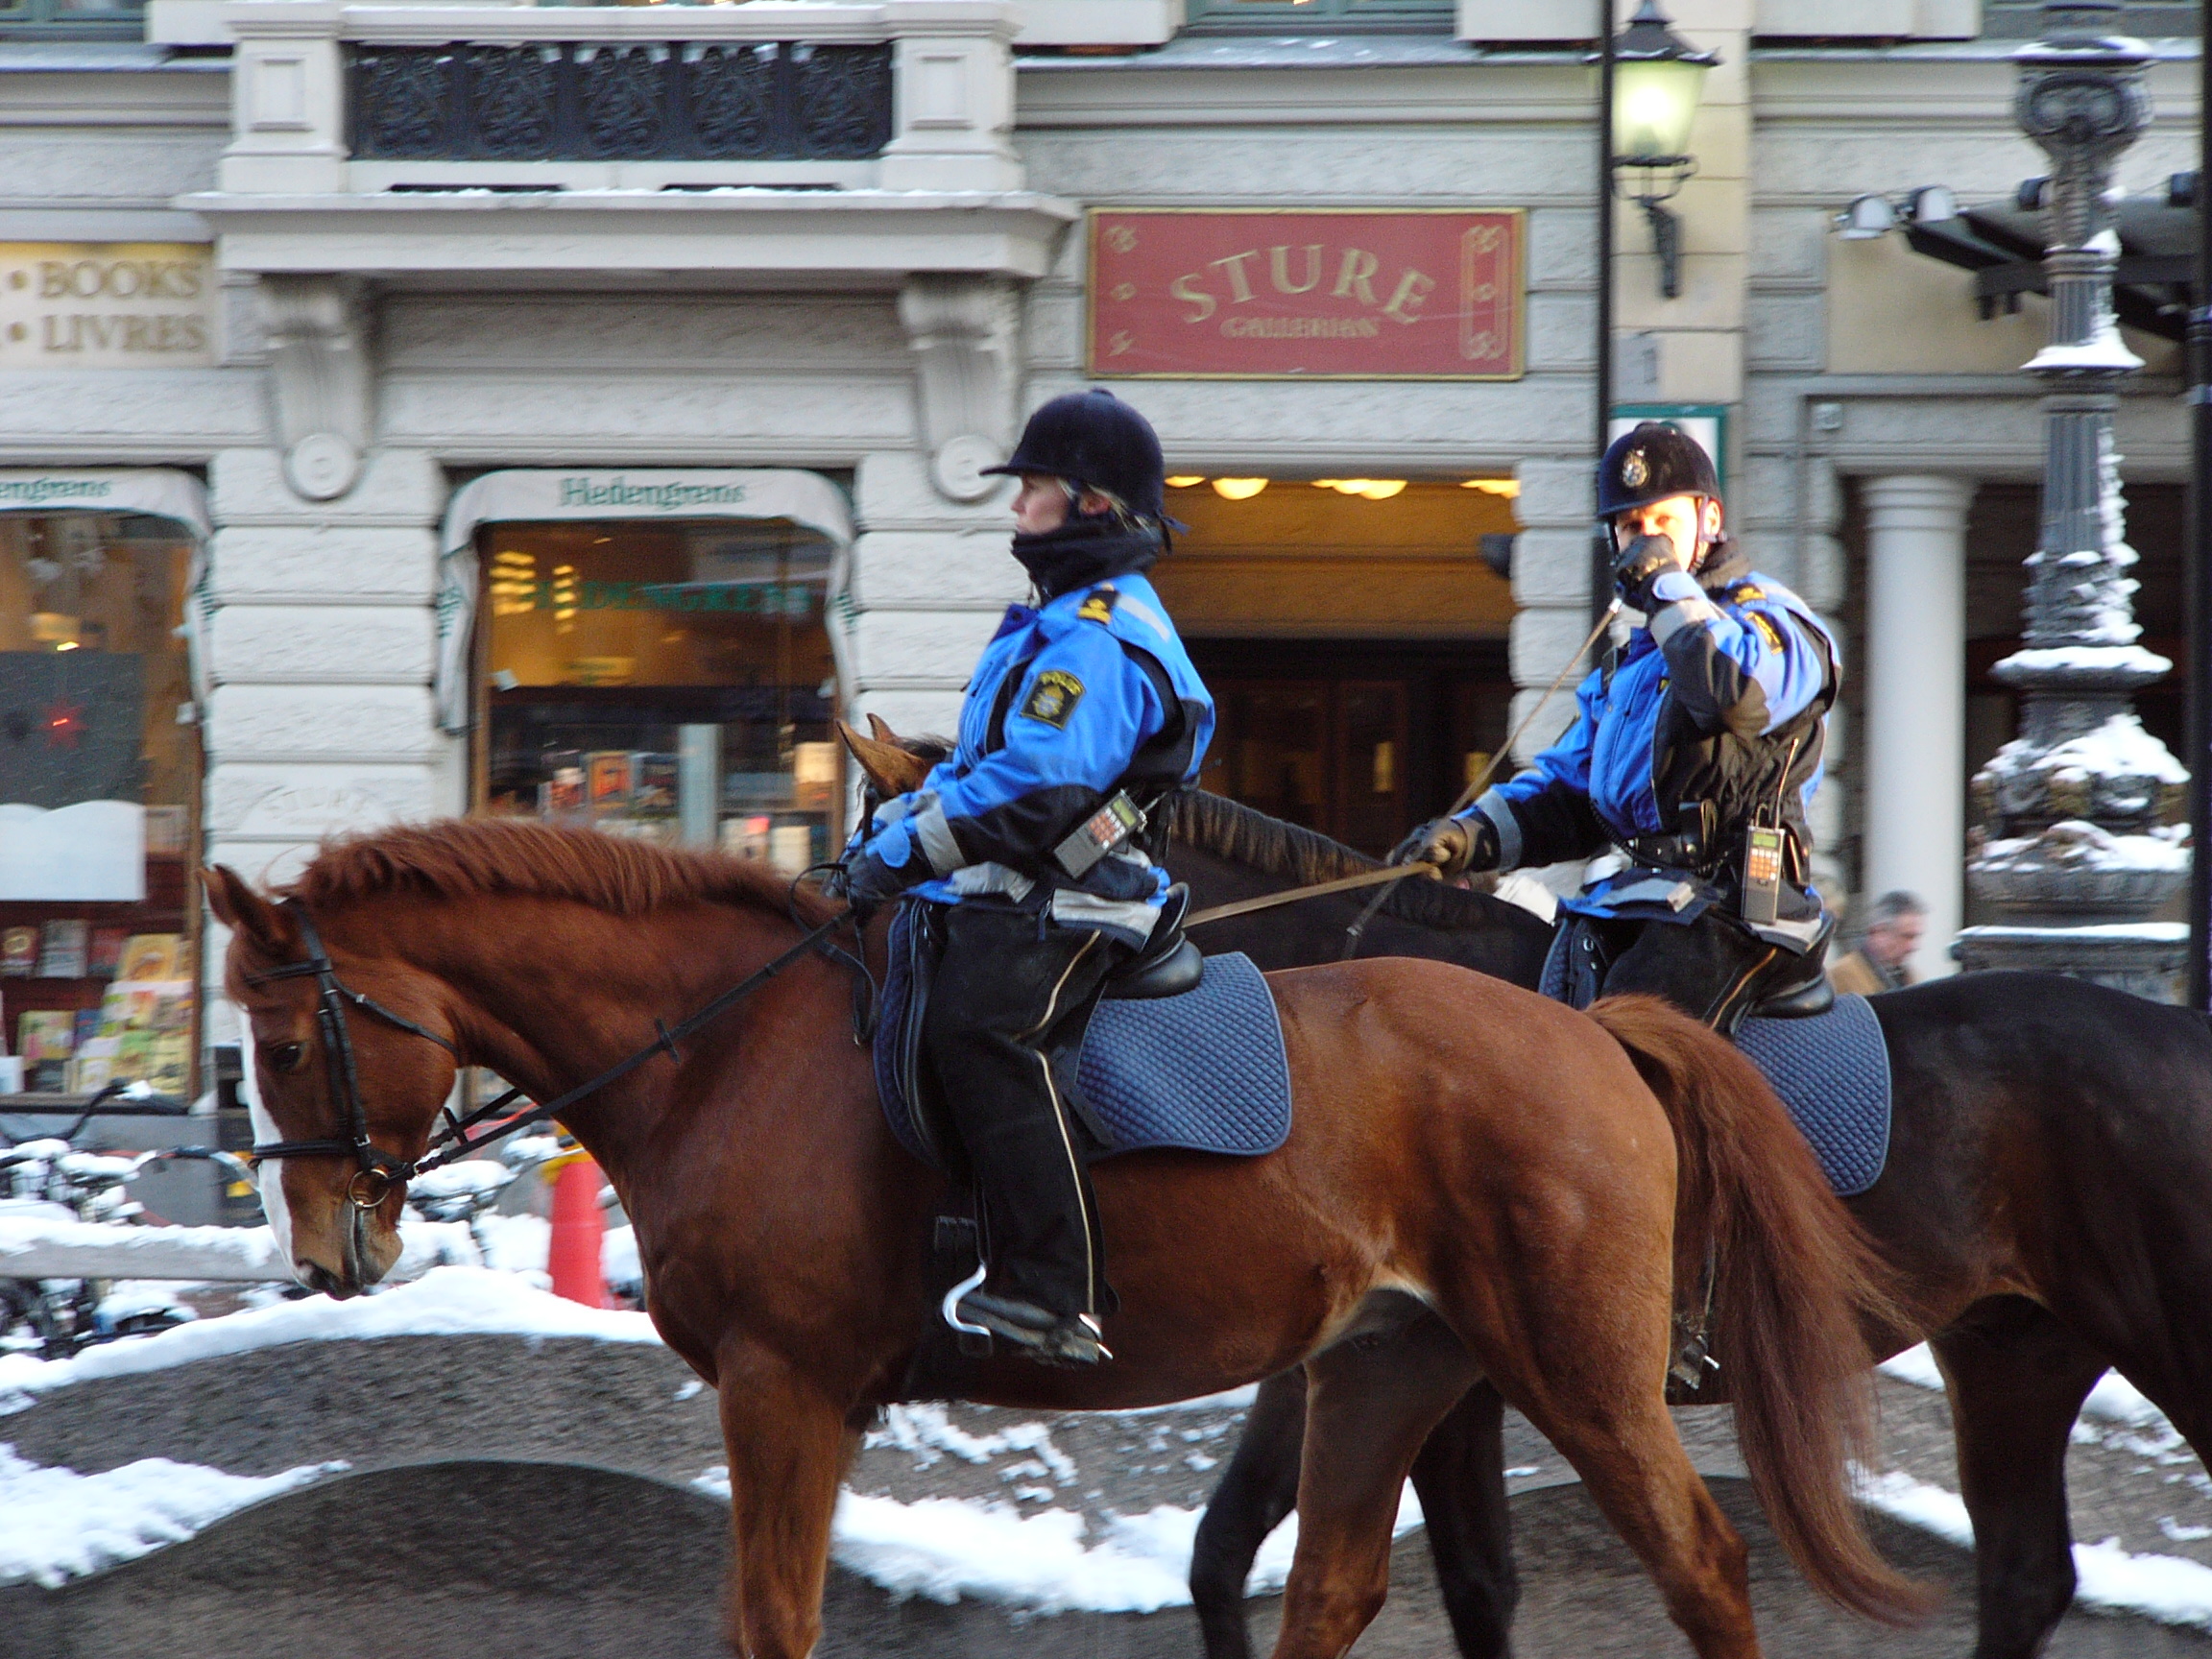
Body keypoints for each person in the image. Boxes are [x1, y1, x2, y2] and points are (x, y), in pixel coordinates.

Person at [836, 390, 1214, 1367]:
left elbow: (1042, 789)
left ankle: (1055, 1290)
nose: (1016, 507)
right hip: (1024, 887)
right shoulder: (1050, 624)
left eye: (1032, 487)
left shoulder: (1094, 634)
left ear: (1088, 502)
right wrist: (898, 821)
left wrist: (907, 854)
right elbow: (979, 768)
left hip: (1084, 897)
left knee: (980, 1025)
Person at [1394, 421, 1840, 1033]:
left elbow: (1732, 698)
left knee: (1624, 1042)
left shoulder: (1774, 619)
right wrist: (1470, 836)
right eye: (1631, 527)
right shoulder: (1630, 668)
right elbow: (1571, 792)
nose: (1644, 540)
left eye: (1663, 522)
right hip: (1636, 902)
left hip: (1740, 915)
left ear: (1709, 520)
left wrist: (1663, 585)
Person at [1829, 890, 1927, 995]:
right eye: (1906, 936)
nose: (1912, 947)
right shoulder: (1840, 976)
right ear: (1877, 931)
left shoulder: (1913, 978)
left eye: (1916, 937)